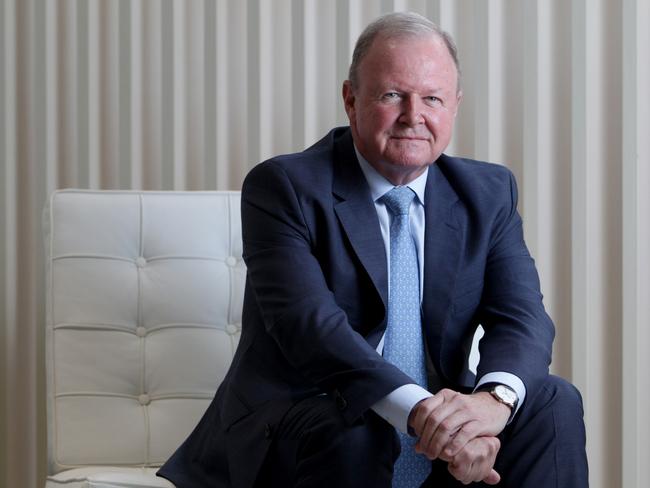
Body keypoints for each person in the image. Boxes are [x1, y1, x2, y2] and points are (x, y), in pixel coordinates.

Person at [158, 11, 588, 488]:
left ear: (455, 107)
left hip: (440, 443)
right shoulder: (285, 187)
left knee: (552, 401)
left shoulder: (486, 193)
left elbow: (522, 317)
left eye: (432, 99)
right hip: (305, 426)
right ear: (350, 99)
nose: (414, 116)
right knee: (355, 426)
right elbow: (310, 330)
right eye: (392, 95)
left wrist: (490, 407)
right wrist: (425, 413)